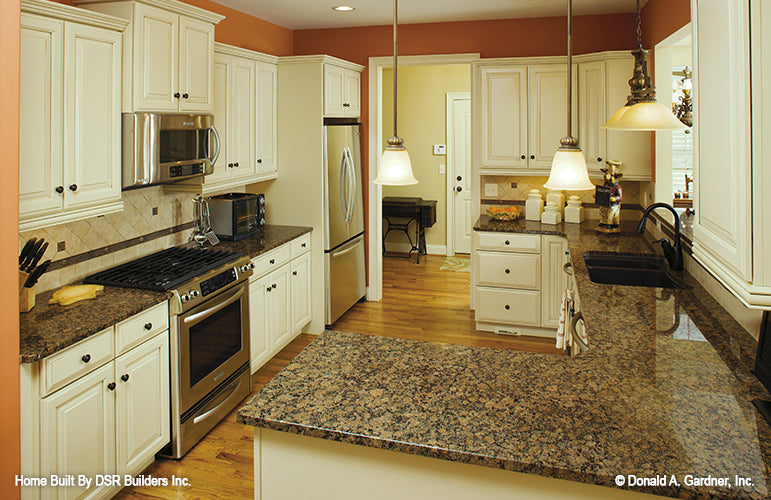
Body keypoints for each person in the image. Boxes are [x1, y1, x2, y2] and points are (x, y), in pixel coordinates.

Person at [595, 160, 623, 233]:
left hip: (613, 204)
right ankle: (603, 222)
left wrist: (614, 198)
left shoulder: (617, 187)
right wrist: (597, 195)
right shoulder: (606, 185)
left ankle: (611, 224)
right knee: (603, 212)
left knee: (612, 214)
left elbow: (620, 197)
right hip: (605, 202)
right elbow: (603, 191)